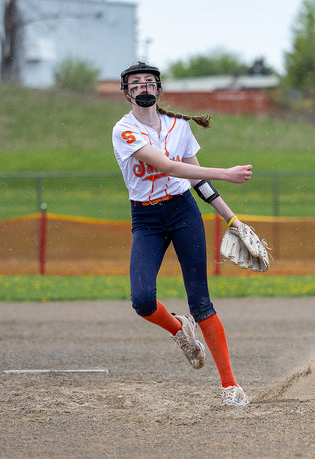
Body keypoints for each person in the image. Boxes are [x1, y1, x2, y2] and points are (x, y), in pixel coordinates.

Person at [110, 61, 255, 406]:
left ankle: (230, 387)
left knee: (201, 301)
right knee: (142, 300)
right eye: (136, 83)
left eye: (149, 82)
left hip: (182, 211)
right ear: (126, 92)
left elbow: (192, 179)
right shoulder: (124, 130)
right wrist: (227, 172)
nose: (143, 87)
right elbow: (168, 166)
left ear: (159, 89)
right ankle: (179, 330)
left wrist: (234, 220)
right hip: (146, 218)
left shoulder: (178, 126)